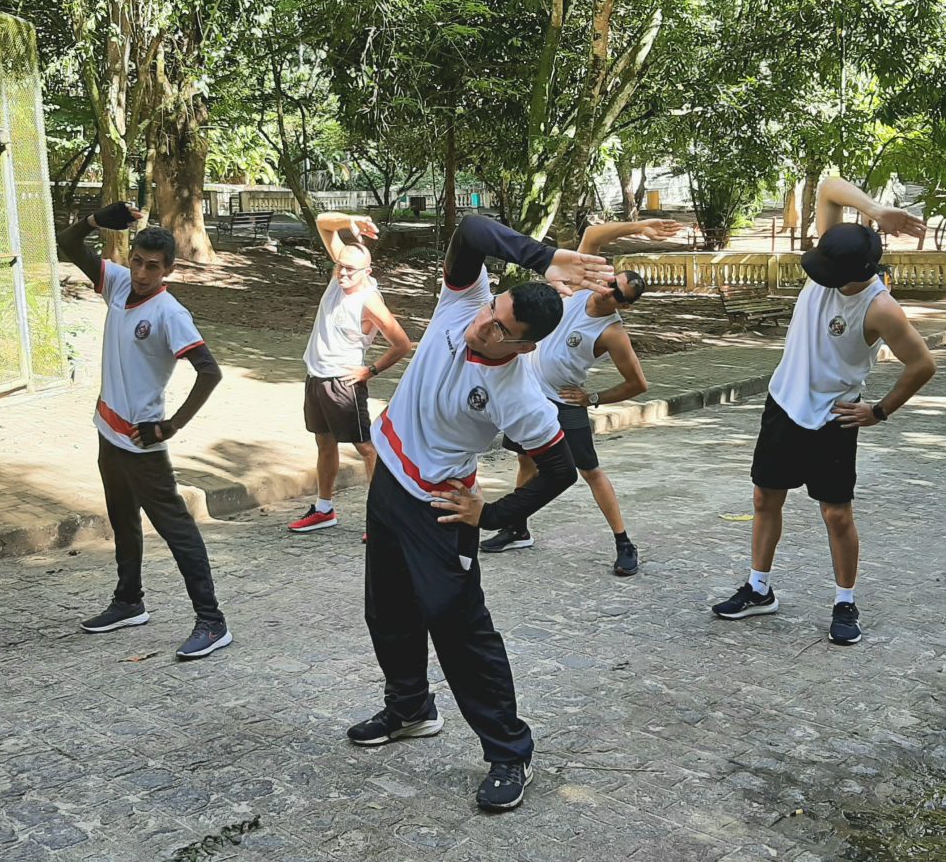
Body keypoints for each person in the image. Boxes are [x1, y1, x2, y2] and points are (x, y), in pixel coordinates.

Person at [347, 214, 613, 811]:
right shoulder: (464, 302)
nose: (483, 328)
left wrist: (488, 513)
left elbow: (559, 470)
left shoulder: (521, 396)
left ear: (525, 346)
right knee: (386, 607)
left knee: (459, 628)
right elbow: (469, 229)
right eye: (493, 313)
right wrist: (543, 258)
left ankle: (508, 752)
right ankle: (410, 708)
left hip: (440, 507)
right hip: (389, 478)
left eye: (501, 330)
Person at [711, 176, 936, 644]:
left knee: (836, 515)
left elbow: (922, 364)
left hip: (833, 417)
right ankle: (759, 589)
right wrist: (877, 212)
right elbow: (830, 187)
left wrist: (879, 411)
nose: (818, 276)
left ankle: (845, 601)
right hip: (783, 401)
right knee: (764, 499)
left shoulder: (881, 309)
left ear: (861, 270)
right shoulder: (832, 258)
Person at [57, 203, 232, 660]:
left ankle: (212, 622)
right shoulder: (116, 282)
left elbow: (209, 372)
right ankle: (129, 601)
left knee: (175, 527)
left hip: (140, 439)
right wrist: (97, 220)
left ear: (168, 269)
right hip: (107, 427)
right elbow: (67, 244)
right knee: (121, 515)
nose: (141, 272)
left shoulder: (170, 313)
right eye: (136, 260)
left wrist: (169, 426)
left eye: (152, 266)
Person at [484, 218, 682, 576]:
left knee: (590, 471)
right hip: (528, 395)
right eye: (611, 284)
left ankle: (624, 542)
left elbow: (638, 383)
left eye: (619, 295)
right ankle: (517, 528)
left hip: (563, 404)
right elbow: (592, 235)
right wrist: (642, 227)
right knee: (527, 462)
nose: (609, 293)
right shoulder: (578, 288)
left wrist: (592, 398)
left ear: (627, 305)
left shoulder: (612, 333)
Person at [290, 212, 412, 535]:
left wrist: (369, 371)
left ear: (366, 272)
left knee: (367, 449)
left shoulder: (369, 300)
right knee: (324, 444)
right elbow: (322, 222)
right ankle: (324, 508)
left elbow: (401, 343)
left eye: (350, 269)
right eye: (339, 266)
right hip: (316, 377)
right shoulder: (338, 278)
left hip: (343, 384)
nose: (342, 273)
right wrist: (351, 220)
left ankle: (381, 518)